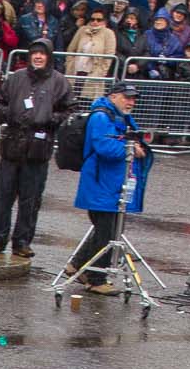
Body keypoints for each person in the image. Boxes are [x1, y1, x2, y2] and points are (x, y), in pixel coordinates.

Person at [0, 42, 74, 259]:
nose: (38, 57)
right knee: (3, 196)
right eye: (34, 53)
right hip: (12, 146)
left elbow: (70, 109)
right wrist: (10, 115)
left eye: (42, 54)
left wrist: (49, 120)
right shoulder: (16, 78)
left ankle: (22, 241)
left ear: (48, 57)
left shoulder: (59, 81)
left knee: (31, 199)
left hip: (38, 148)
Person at [63, 79, 149, 297]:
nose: (131, 102)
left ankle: (76, 266)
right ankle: (96, 279)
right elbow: (104, 147)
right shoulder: (102, 116)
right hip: (102, 184)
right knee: (107, 233)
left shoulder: (121, 116)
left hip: (112, 184)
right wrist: (131, 148)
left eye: (133, 99)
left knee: (107, 229)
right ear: (113, 96)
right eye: (126, 97)